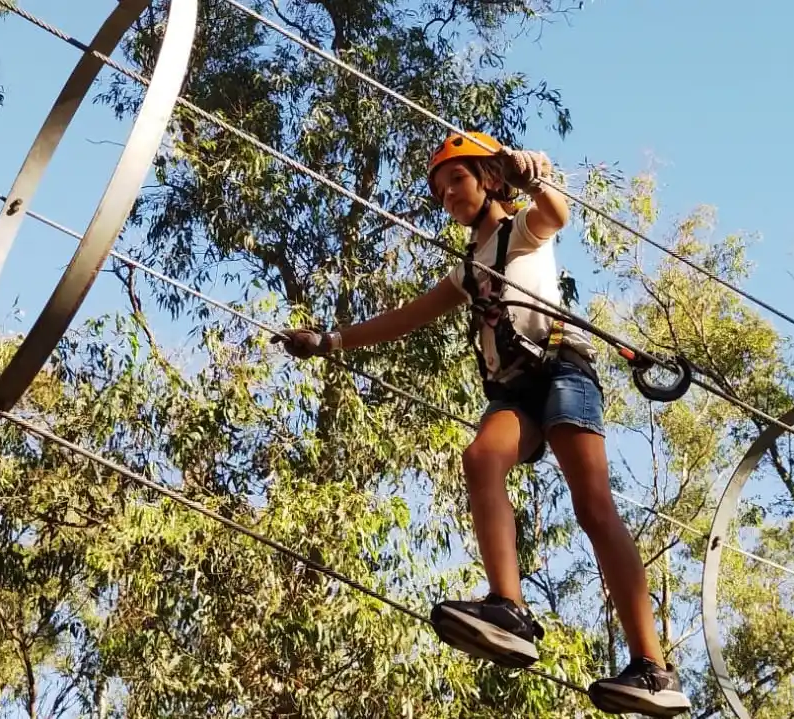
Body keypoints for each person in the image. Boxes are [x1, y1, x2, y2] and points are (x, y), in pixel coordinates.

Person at [272, 132, 691, 718]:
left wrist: (533, 177)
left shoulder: (519, 230)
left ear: (488, 179)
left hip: (562, 372)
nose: (448, 196)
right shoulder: (468, 269)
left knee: (594, 509)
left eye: (457, 181)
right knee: (480, 458)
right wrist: (330, 341)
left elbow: (555, 214)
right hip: (517, 391)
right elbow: (405, 318)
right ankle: (508, 609)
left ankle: (653, 668)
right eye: (440, 190)